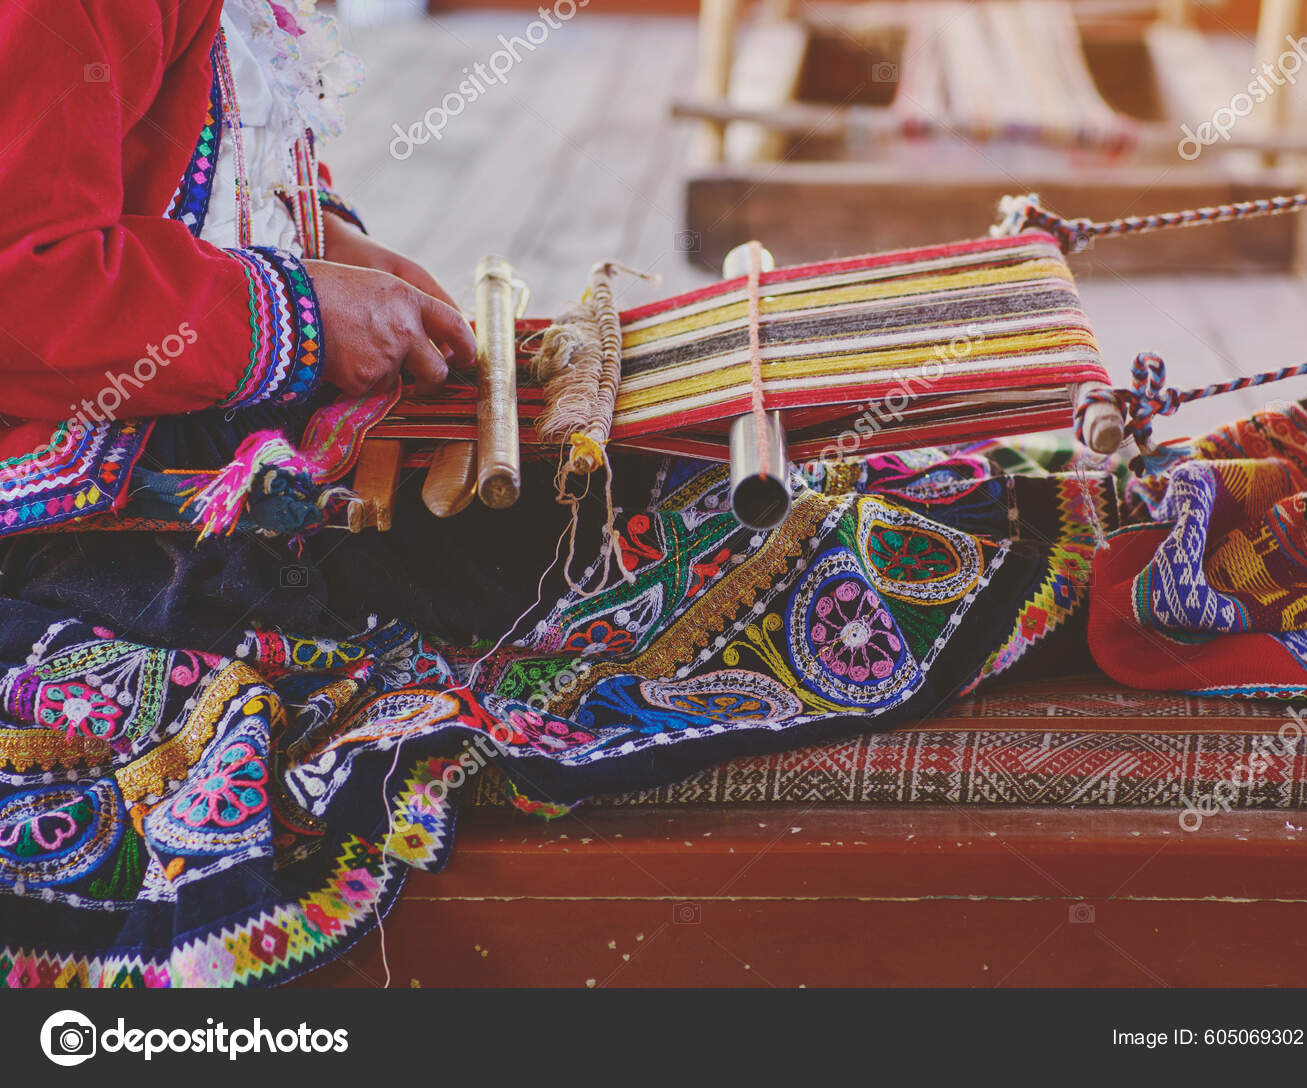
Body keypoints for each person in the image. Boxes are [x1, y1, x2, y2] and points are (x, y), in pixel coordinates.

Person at [0, 0, 1095, 986]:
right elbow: (26, 282)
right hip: (109, 493)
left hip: (215, 406)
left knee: (661, 483)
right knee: (608, 540)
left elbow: (209, 164)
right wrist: (299, 311)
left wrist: (340, 252)